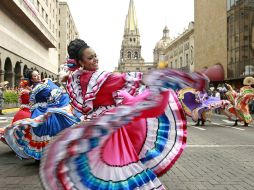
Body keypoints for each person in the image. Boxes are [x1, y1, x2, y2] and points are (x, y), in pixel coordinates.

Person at [40, 39, 210, 189]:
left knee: (95, 168)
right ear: (80, 62)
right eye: (90, 58)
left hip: (92, 127)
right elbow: (130, 79)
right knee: (119, 166)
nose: (95, 59)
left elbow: (67, 79)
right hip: (111, 129)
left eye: (95, 56)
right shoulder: (102, 78)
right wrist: (163, 78)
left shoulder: (76, 78)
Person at [2, 69, 81, 160]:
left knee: (48, 129)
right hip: (39, 111)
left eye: (38, 74)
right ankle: (44, 155)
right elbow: (53, 96)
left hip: (44, 110)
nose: (38, 76)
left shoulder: (41, 85)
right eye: (35, 76)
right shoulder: (39, 87)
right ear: (31, 79)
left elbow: (54, 95)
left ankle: (49, 153)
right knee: (41, 130)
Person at [0, 79, 31, 145]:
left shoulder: (22, 91)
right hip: (27, 110)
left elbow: (20, 100)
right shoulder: (28, 91)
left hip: (23, 110)